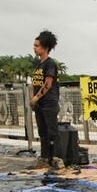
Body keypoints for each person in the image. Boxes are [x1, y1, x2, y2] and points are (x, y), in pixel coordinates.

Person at [29, 29, 61, 168]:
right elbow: (36, 83)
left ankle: (55, 158)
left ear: (45, 47)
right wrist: (34, 99)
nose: (34, 48)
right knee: (42, 132)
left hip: (49, 102)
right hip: (39, 104)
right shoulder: (38, 64)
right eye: (34, 45)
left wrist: (36, 97)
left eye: (37, 46)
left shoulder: (50, 63)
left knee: (51, 131)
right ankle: (44, 158)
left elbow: (47, 83)